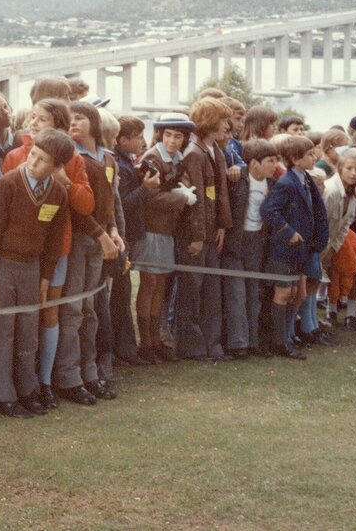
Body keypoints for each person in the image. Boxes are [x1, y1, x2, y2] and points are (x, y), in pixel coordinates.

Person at [0, 129, 72, 418]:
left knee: (28, 331)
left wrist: (45, 277)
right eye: (33, 154)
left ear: (57, 167)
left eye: (43, 160)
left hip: (32, 269)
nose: (33, 162)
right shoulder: (9, 184)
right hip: (4, 266)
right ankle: (2, 393)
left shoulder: (58, 193)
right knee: (4, 330)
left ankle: (27, 389)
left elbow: (54, 240)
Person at [57, 101, 121, 404]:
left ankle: (89, 371)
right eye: (70, 119)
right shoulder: (70, 157)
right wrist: (102, 234)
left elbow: (109, 202)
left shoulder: (108, 158)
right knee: (72, 310)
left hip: (99, 241)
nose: (73, 123)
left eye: (80, 118)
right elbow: (77, 207)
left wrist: (114, 230)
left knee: (91, 309)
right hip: (79, 239)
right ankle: (69, 377)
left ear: (94, 123)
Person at [175, 98, 234, 362]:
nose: (227, 126)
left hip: (211, 233)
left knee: (211, 291)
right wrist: (198, 236)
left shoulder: (214, 151)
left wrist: (222, 225)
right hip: (196, 236)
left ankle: (211, 344)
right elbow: (195, 201)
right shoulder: (194, 154)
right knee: (191, 291)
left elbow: (220, 195)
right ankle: (191, 346)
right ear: (209, 121)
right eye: (223, 120)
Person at [260, 134, 328, 359]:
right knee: (283, 292)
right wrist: (288, 232)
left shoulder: (305, 178)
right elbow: (269, 211)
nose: (314, 156)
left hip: (300, 249)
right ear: (296, 159)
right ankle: (279, 341)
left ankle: (285, 335)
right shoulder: (287, 183)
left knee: (297, 293)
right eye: (309, 155)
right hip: (284, 249)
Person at [135, 114, 196, 363]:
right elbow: (149, 197)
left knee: (160, 287)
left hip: (166, 231)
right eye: (168, 135)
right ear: (160, 135)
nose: (172, 140)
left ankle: (155, 340)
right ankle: (146, 343)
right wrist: (182, 198)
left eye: (178, 136)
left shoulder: (177, 159)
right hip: (151, 230)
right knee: (149, 285)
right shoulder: (152, 158)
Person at [222, 138, 279, 358]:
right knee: (236, 292)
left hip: (258, 241)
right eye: (270, 161)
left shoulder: (272, 185)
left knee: (254, 292)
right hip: (236, 240)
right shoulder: (238, 179)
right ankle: (238, 343)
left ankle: (254, 340)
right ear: (254, 163)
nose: (274, 165)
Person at [323, 148, 356, 329]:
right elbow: (321, 223)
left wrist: (333, 248)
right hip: (321, 241)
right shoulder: (331, 191)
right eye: (349, 168)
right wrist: (324, 250)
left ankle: (346, 314)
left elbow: (345, 224)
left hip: (334, 240)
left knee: (353, 265)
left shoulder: (353, 192)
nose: (353, 173)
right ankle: (325, 313)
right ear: (340, 168)